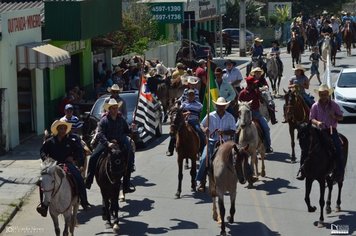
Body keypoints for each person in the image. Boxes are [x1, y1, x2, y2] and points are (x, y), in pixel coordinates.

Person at [37, 120, 91, 217]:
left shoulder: (71, 141)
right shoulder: (50, 141)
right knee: (43, 181)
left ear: (66, 129)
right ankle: (44, 205)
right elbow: (42, 151)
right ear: (57, 129)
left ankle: (83, 200)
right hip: (53, 165)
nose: (62, 130)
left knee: (78, 177)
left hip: (67, 164)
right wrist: (46, 159)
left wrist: (73, 158)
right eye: (60, 128)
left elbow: (79, 152)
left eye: (64, 128)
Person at [296, 84, 344, 181]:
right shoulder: (315, 106)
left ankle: (339, 172)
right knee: (306, 148)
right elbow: (311, 119)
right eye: (321, 94)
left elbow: (341, 117)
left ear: (328, 94)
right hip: (318, 130)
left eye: (325, 94)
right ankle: (302, 170)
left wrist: (334, 116)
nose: (323, 96)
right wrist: (317, 122)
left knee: (338, 148)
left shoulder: (334, 105)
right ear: (319, 95)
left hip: (330, 129)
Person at [85, 99, 133, 192]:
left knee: (129, 156)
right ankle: (89, 180)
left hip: (120, 142)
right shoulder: (104, 120)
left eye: (116, 108)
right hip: (106, 143)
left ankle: (126, 184)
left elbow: (127, 130)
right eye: (113, 108)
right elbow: (100, 134)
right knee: (93, 157)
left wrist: (132, 129)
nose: (115, 110)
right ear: (109, 109)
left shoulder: (121, 119)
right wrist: (108, 143)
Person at [196, 97, 236, 192]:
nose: (221, 107)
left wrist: (224, 132)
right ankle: (201, 181)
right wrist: (204, 129)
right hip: (212, 141)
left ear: (225, 106)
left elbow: (233, 131)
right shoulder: (210, 115)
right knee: (204, 158)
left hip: (225, 142)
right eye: (219, 106)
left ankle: (241, 177)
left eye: (222, 106)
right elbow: (201, 124)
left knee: (237, 158)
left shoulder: (230, 117)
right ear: (216, 106)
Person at [238, 76, 273, 153]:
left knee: (266, 128)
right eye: (254, 84)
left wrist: (258, 93)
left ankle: (268, 146)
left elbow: (262, 101)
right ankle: (237, 146)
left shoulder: (256, 92)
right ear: (249, 84)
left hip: (256, 113)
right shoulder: (242, 93)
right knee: (236, 129)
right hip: (244, 114)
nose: (255, 85)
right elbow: (239, 104)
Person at [180, 89, 205, 154]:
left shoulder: (199, 105)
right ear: (187, 96)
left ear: (194, 96)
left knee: (200, 132)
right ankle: (172, 148)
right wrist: (185, 114)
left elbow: (203, 114)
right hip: (185, 121)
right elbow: (178, 114)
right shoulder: (183, 104)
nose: (191, 96)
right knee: (175, 132)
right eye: (189, 95)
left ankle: (201, 149)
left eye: (192, 95)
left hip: (194, 121)